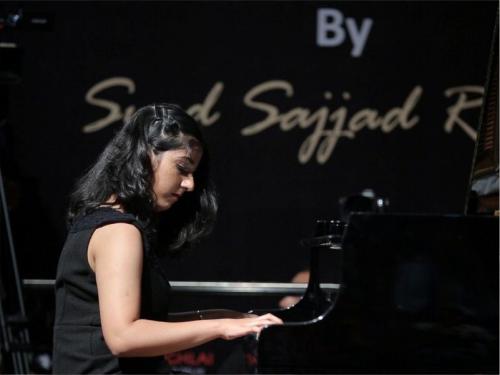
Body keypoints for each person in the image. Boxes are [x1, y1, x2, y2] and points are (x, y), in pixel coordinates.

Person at [52, 103, 282, 374]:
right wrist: (220, 327)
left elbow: (142, 323)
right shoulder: (119, 232)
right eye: (182, 168)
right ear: (145, 156)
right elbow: (123, 338)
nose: (190, 184)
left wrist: (221, 317)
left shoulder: (101, 222)